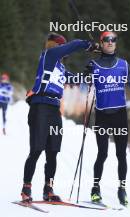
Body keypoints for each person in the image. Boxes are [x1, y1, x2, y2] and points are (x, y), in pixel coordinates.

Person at [21, 32, 97, 202]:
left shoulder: (61, 68)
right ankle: (26, 187)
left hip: (54, 110)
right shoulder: (48, 56)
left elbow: (76, 79)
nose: (61, 49)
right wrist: (88, 44)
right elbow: (74, 45)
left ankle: (48, 188)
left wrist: (88, 72)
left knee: (53, 152)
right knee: (36, 150)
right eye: (58, 45)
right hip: (40, 107)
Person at [86, 31, 130, 206]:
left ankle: (122, 189)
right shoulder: (94, 64)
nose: (110, 42)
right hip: (102, 115)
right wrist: (86, 74)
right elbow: (84, 87)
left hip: (120, 115)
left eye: (113, 40)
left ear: (116, 44)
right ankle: (95, 188)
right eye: (106, 39)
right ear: (101, 43)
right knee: (102, 153)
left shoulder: (124, 65)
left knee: (121, 155)